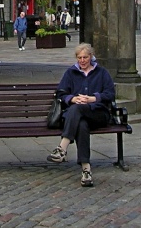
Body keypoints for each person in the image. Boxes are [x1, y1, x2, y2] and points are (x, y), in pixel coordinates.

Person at [47, 42, 115, 188]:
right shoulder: (70, 73)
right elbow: (60, 93)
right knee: (81, 124)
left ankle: (62, 148)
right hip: (76, 118)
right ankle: (86, 171)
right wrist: (72, 98)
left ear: (91, 56)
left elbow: (110, 94)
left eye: (85, 57)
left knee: (77, 109)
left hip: (97, 113)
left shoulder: (102, 73)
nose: (82, 61)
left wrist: (92, 98)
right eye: (79, 58)